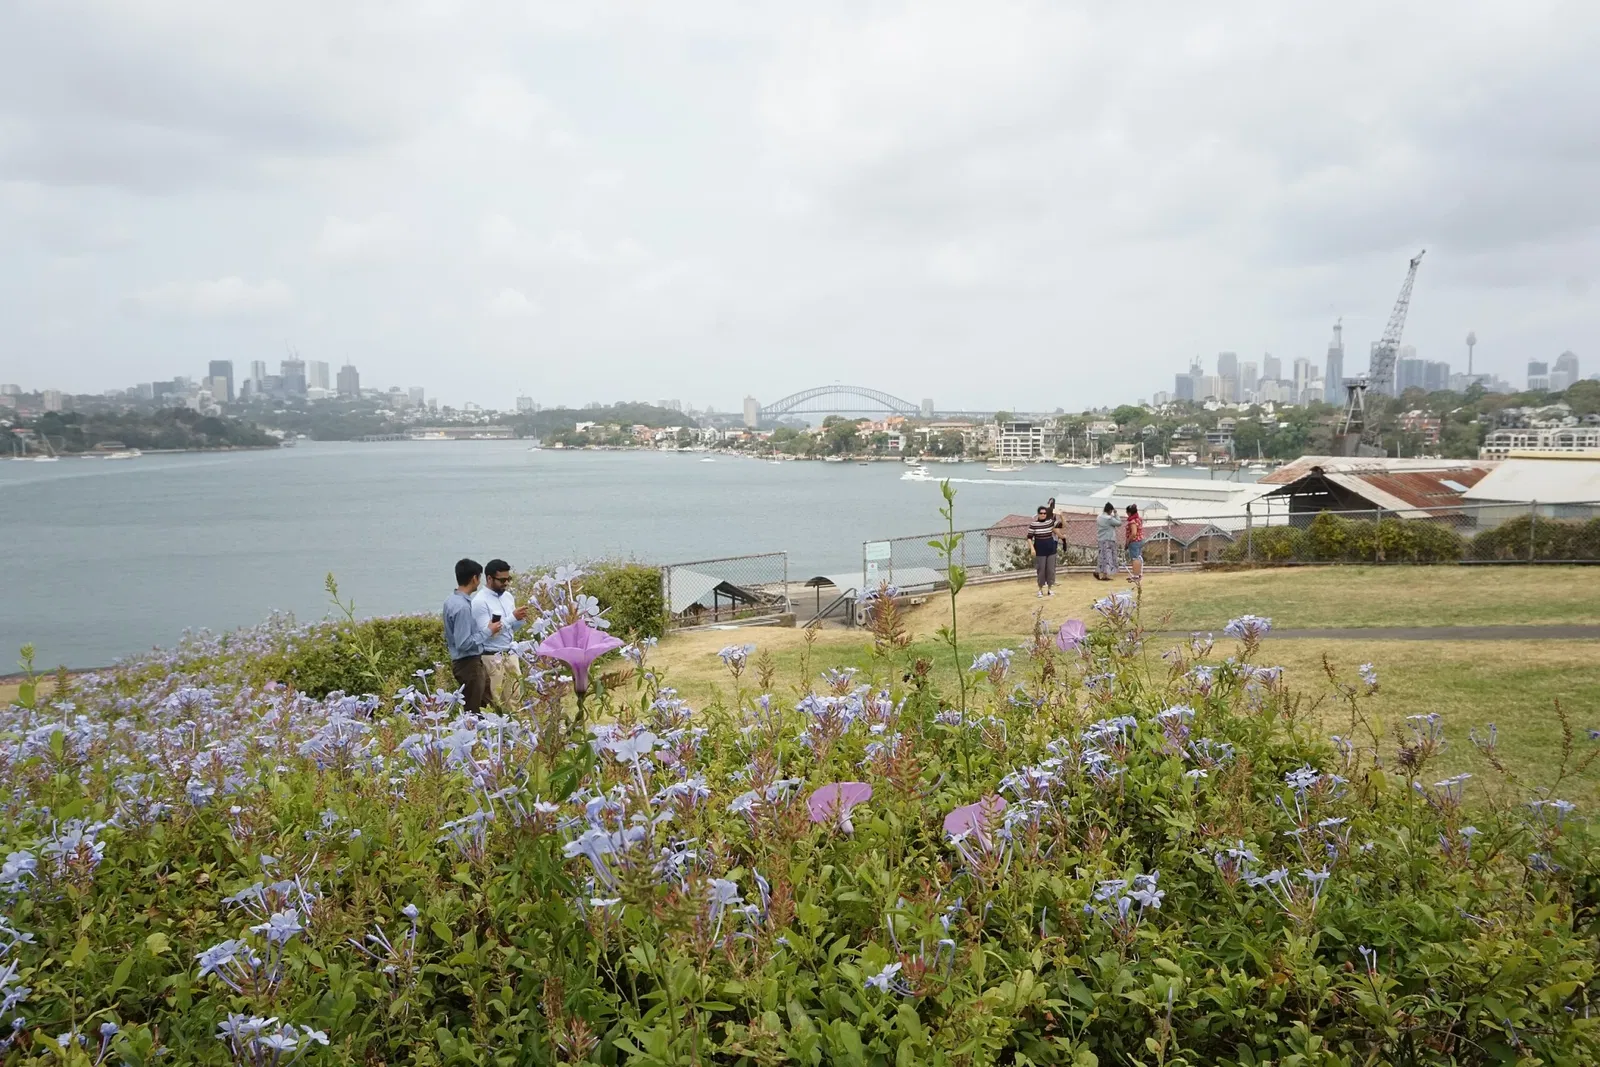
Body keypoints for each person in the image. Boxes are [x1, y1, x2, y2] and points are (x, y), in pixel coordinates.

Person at [472, 558, 530, 707]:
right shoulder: (479, 601)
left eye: (508, 579)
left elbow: (510, 627)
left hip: (510, 653)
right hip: (492, 656)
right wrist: (512, 618)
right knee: (496, 701)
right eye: (502, 580)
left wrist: (520, 620)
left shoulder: (508, 597)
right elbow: (486, 632)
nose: (506, 583)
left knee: (516, 698)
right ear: (489, 578)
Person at [443, 557, 498, 711]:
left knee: (487, 705)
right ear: (474, 578)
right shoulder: (463, 607)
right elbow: (464, 643)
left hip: (467, 663)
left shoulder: (451, 601)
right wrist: (489, 631)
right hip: (468, 664)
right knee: (475, 710)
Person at [1027, 504, 1059, 597]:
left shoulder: (1050, 522)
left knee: (1051, 570)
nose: (1043, 515)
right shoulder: (1034, 524)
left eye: (1044, 513)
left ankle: (1049, 589)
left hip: (1051, 550)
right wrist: (1032, 548)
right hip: (1040, 551)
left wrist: (1061, 515)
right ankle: (1040, 590)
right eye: (1041, 513)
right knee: (1041, 570)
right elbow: (1029, 538)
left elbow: (1063, 525)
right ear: (1038, 514)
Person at [1095, 502, 1123, 581]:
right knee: (1108, 557)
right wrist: (1116, 514)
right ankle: (1104, 575)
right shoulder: (1109, 519)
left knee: (1102, 557)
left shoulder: (1099, 517)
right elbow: (1119, 523)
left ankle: (1099, 571)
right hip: (1109, 539)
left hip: (1101, 539)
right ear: (1110, 510)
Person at [1124, 503, 1145, 581]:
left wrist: (1128, 541)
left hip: (1134, 541)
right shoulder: (1138, 519)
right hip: (1140, 540)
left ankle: (1136, 575)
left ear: (1129, 513)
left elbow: (1133, 533)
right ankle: (1139, 574)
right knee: (1138, 557)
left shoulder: (1132, 522)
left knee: (1135, 558)